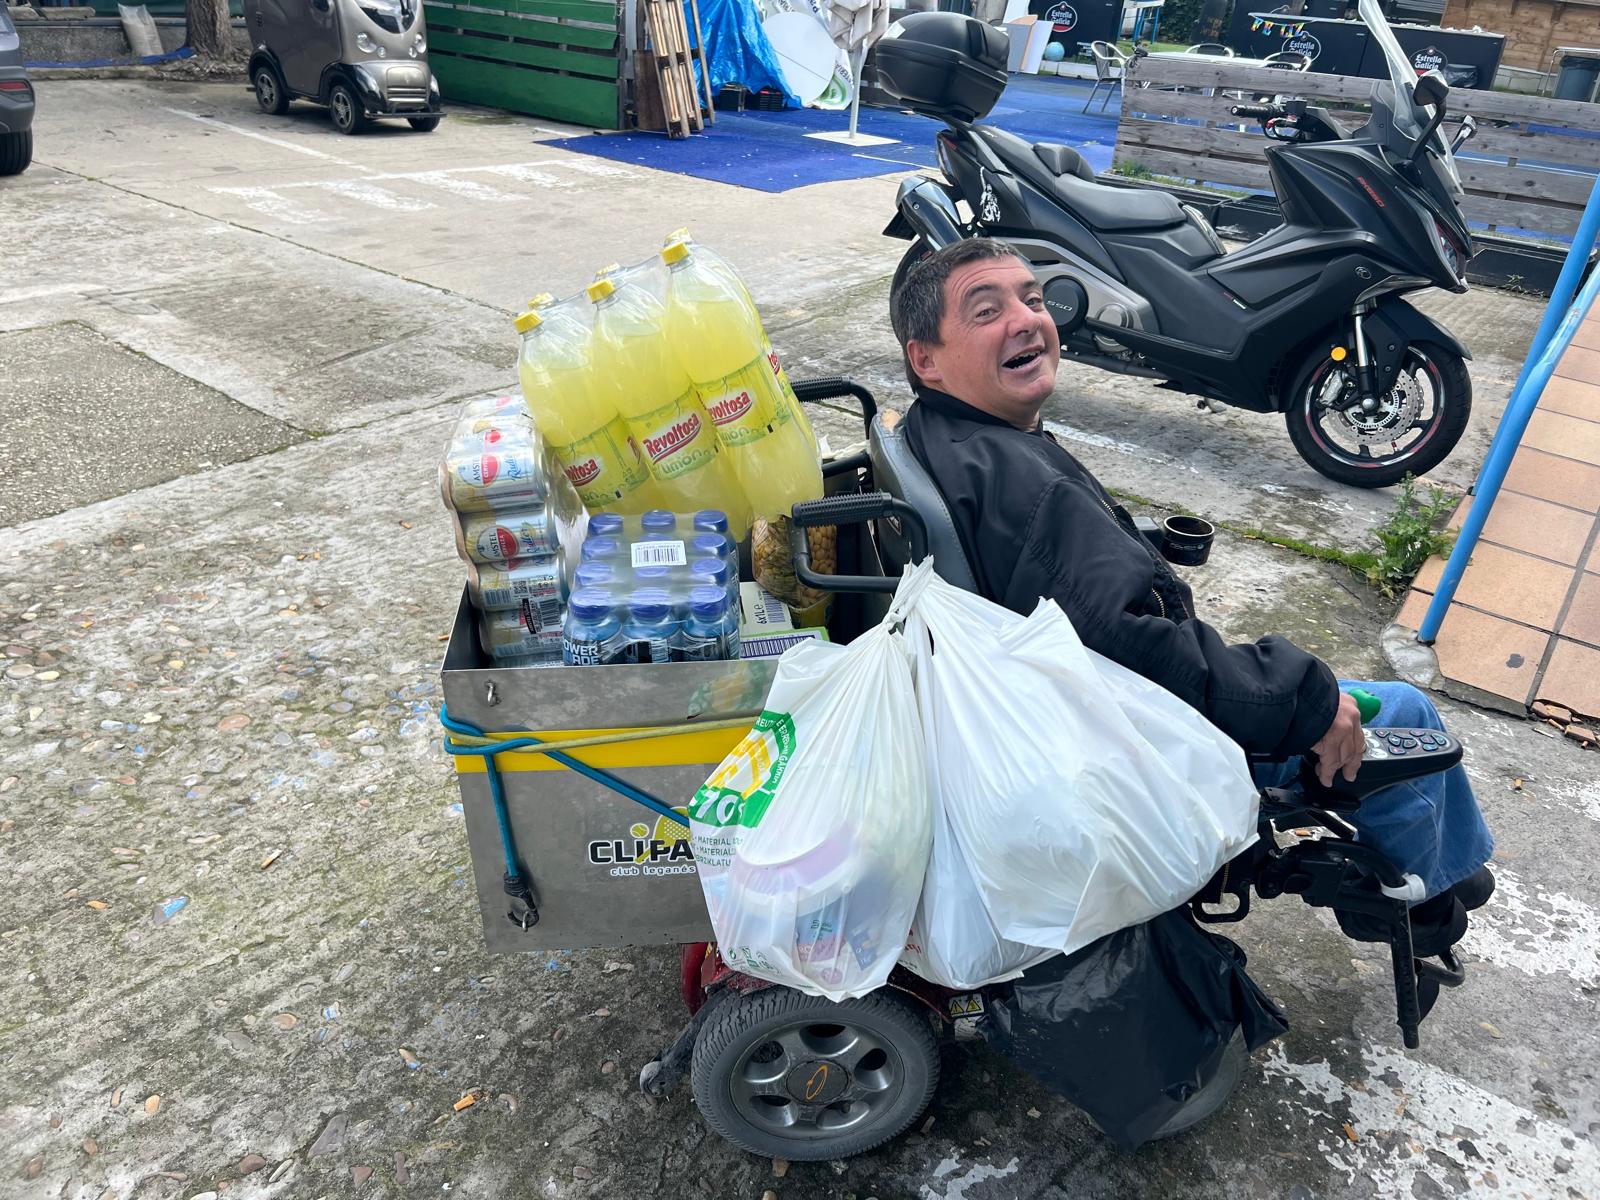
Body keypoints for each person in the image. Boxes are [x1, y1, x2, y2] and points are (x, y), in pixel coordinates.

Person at [890, 237, 1494, 958]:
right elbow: (1136, 648)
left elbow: (1076, 584)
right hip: (1129, 734)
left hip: (1045, 697)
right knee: (1401, 711)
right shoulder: (1026, 484)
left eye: (1032, 298)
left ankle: (1446, 870)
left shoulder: (946, 432)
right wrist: (1303, 696)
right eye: (987, 310)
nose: (1026, 319)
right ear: (924, 358)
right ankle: (1426, 905)